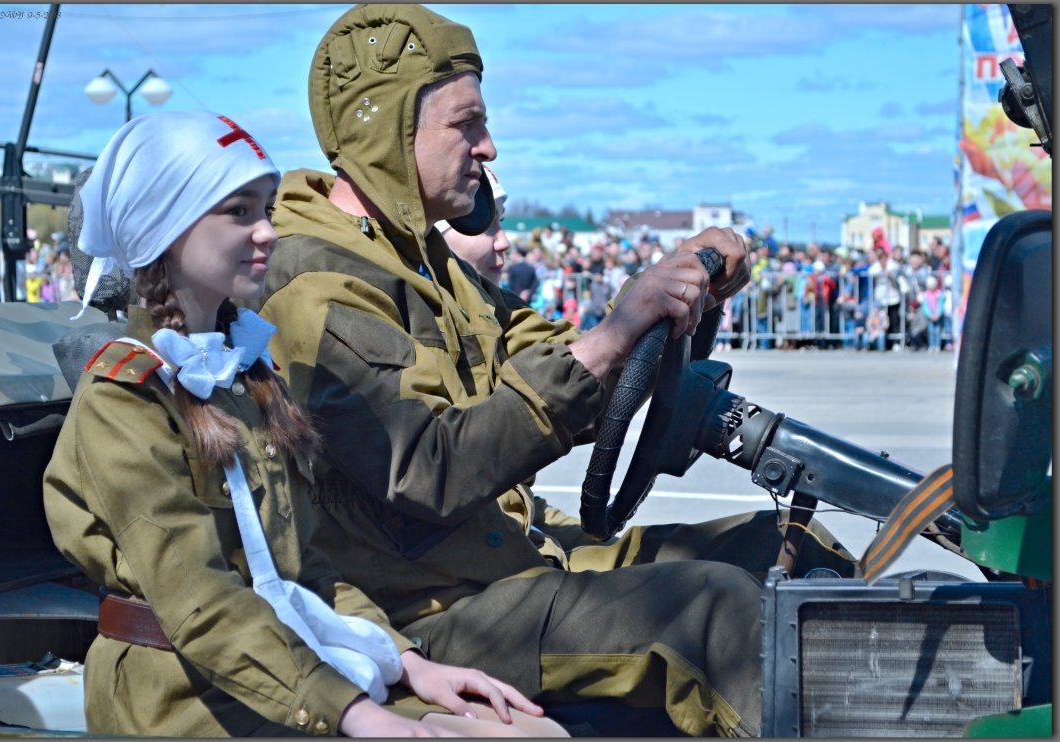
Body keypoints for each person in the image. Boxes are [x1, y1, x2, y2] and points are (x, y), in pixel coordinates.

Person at [260, 5, 853, 736]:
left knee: (790, 556)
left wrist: (669, 298)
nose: (489, 147)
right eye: (465, 124)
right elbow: (428, 469)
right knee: (714, 613)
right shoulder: (317, 282)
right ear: (381, 129)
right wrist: (615, 335)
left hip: (504, 564)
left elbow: (558, 358)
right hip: (425, 613)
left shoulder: (422, 262)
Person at [41, 110, 564, 738]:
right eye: (238, 212)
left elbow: (303, 565)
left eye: (266, 208)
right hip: (179, 696)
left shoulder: (246, 373)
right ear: (166, 230)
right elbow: (200, 603)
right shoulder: (125, 399)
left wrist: (408, 663)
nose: (267, 232)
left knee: (530, 731)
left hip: (285, 663)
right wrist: (354, 712)